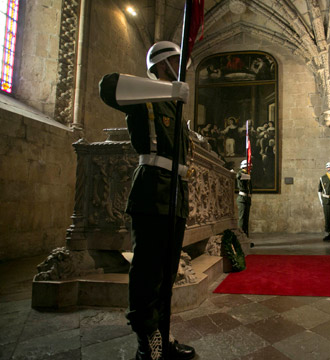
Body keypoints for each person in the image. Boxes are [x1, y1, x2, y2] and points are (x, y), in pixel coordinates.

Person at [99, 41, 195, 360]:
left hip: (176, 193)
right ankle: (147, 342)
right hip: (152, 190)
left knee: (166, 274)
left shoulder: (176, 107)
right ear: (162, 65)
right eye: (178, 62)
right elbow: (108, 86)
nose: (183, 69)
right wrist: (168, 91)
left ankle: (163, 337)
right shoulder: (148, 95)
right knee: (148, 271)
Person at [237, 159, 252, 237]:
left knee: (246, 220)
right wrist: (246, 174)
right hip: (242, 198)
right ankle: (241, 236)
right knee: (242, 219)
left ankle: (246, 237)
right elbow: (238, 175)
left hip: (247, 198)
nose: (250, 168)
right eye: (249, 167)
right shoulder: (241, 173)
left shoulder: (247, 174)